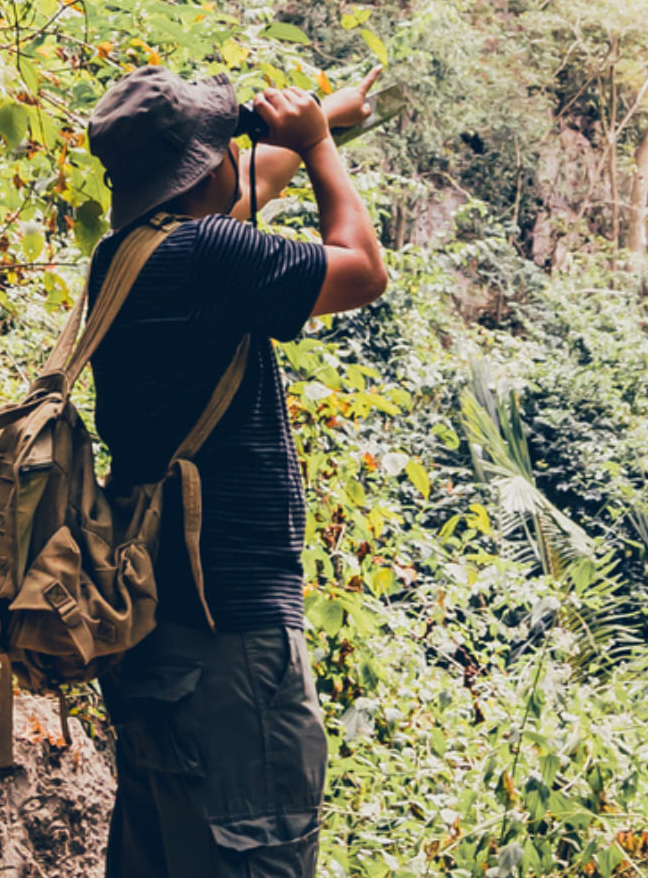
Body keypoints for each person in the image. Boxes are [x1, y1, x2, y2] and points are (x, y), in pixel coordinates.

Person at [84, 64, 388, 878]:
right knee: (256, 853)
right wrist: (321, 145)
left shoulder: (125, 258)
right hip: (233, 643)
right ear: (202, 166)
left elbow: (232, 205)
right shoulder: (212, 257)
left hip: (154, 634)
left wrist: (321, 120)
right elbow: (361, 270)